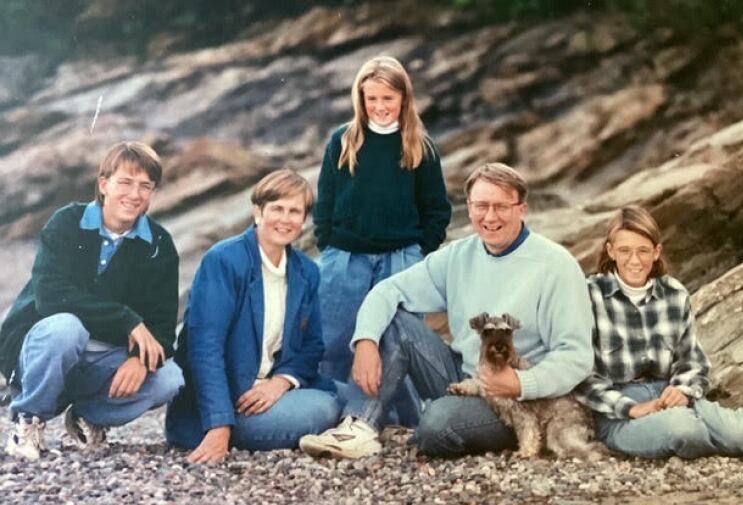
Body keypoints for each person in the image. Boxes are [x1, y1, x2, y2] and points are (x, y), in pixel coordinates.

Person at [299, 163, 593, 459]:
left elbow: (577, 356)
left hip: (524, 403)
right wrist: (365, 340)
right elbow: (388, 291)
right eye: (481, 206)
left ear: (522, 208)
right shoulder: (458, 256)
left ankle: (466, 424)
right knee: (396, 322)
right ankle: (359, 426)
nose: (490, 217)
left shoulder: (556, 265)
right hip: (463, 377)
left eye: (501, 206)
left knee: (437, 426)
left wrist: (521, 384)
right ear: (468, 207)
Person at [0, 142, 183, 460]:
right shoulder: (67, 222)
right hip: (41, 348)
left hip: (101, 358)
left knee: (170, 378)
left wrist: (140, 360)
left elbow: (163, 326)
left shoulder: (159, 243)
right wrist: (126, 319)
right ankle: (29, 420)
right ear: (104, 184)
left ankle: (89, 415)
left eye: (145, 186)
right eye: (125, 182)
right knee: (66, 328)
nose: (135, 194)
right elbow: (51, 297)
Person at [575, 205, 743, 459]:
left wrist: (683, 390)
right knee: (685, 430)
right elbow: (580, 375)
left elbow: (692, 362)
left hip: (672, 394)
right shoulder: (589, 294)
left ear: (657, 251)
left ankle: (722, 434)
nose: (635, 261)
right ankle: (708, 436)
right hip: (617, 413)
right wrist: (630, 408)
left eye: (643, 251)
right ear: (611, 251)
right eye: (625, 250)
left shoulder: (673, 293)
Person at [166, 169, 340, 464]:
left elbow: (312, 346)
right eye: (277, 209)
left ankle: (340, 430)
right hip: (228, 405)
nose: (285, 219)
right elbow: (204, 348)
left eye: (294, 211)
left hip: (272, 391)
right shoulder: (224, 260)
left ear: (304, 220)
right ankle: (331, 430)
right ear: (257, 211)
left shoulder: (305, 272)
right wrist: (218, 426)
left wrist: (281, 383)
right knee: (324, 409)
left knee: (352, 393)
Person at [313, 56, 451, 424]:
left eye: (387, 98)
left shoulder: (419, 146)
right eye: (371, 99)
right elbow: (325, 199)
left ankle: (395, 417)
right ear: (360, 99)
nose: (379, 107)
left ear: (404, 98)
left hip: (400, 259)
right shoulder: (342, 141)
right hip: (345, 258)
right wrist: (327, 243)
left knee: (394, 340)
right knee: (335, 337)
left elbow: (437, 207)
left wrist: (420, 248)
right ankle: (331, 413)